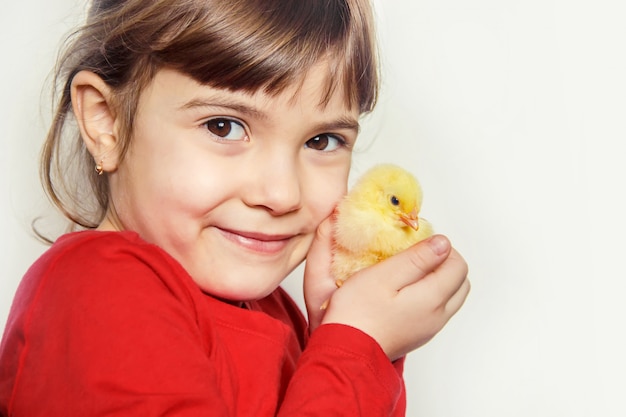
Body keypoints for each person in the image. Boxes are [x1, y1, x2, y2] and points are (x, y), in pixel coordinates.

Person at [0, 0, 470, 415]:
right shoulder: (97, 291)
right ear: (106, 122)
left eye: (322, 140)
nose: (282, 194)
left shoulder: (278, 313)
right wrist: (355, 348)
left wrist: (343, 333)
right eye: (224, 126)